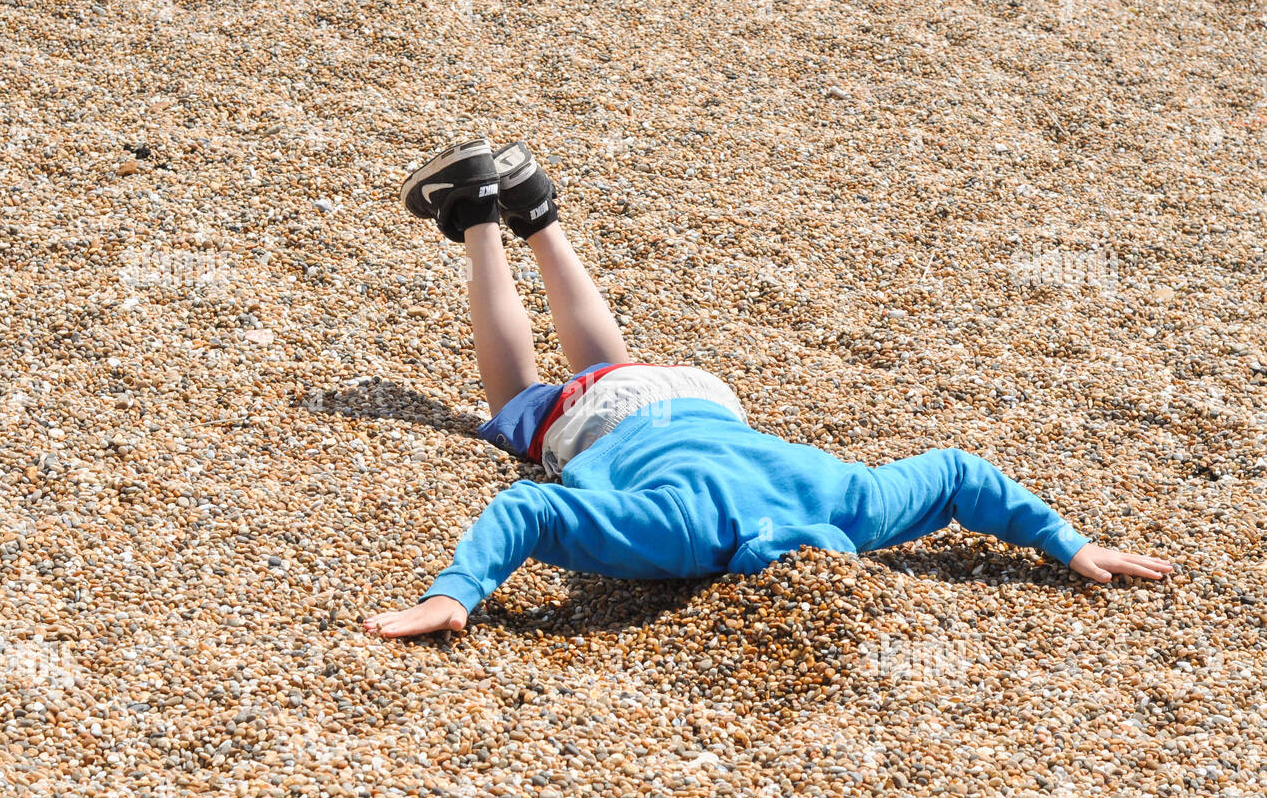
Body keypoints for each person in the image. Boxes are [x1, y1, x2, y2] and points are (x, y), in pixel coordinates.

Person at [365, 139, 1173, 639]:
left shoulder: (847, 504)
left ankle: (537, 210)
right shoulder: (683, 535)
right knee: (518, 405)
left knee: (608, 373)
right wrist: (455, 592)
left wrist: (1066, 539)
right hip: (621, 415)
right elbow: (529, 508)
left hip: (698, 395)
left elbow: (960, 473)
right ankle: (478, 208)